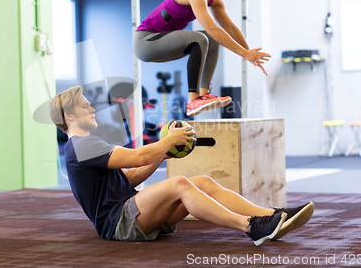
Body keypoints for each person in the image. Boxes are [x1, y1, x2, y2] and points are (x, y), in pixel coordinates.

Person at [49, 86, 314, 246]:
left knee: (202, 182)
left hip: (133, 211)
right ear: (69, 116)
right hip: (119, 222)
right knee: (180, 184)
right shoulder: (81, 146)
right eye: (86, 107)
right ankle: (250, 227)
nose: (93, 109)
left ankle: (273, 216)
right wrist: (168, 141)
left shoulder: (87, 145)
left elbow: (127, 179)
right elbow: (139, 157)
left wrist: (163, 155)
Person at [133, 0, 271, 117]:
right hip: (146, 42)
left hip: (164, 40)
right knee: (201, 37)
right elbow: (212, 28)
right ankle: (193, 100)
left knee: (211, 39)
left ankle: (203, 94)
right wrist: (243, 54)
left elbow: (230, 27)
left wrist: (249, 52)